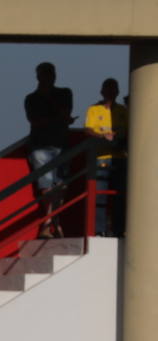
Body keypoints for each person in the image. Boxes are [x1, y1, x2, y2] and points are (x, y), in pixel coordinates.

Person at [23, 62, 75, 238]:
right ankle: (52, 222)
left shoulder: (64, 93)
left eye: (50, 74)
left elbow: (63, 114)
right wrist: (59, 119)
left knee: (60, 185)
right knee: (47, 186)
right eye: (45, 74)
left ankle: (51, 222)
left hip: (59, 143)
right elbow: (36, 121)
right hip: (40, 145)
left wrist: (55, 118)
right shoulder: (31, 98)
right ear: (38, 76)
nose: (48, 77)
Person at [84, 77, 127, 237]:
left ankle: (118, 230)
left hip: (120, 157)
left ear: (117, 91)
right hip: (101, 157)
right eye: (107, 88)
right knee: (99, 197)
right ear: (102, 91)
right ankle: (99, 230)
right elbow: (88, 130)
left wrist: (118, 137)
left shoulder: (123, 111)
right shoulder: (94, 109)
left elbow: (130, 130)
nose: (110, 91)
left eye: (113, 88)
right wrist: (103, 136)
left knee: (120, 196)